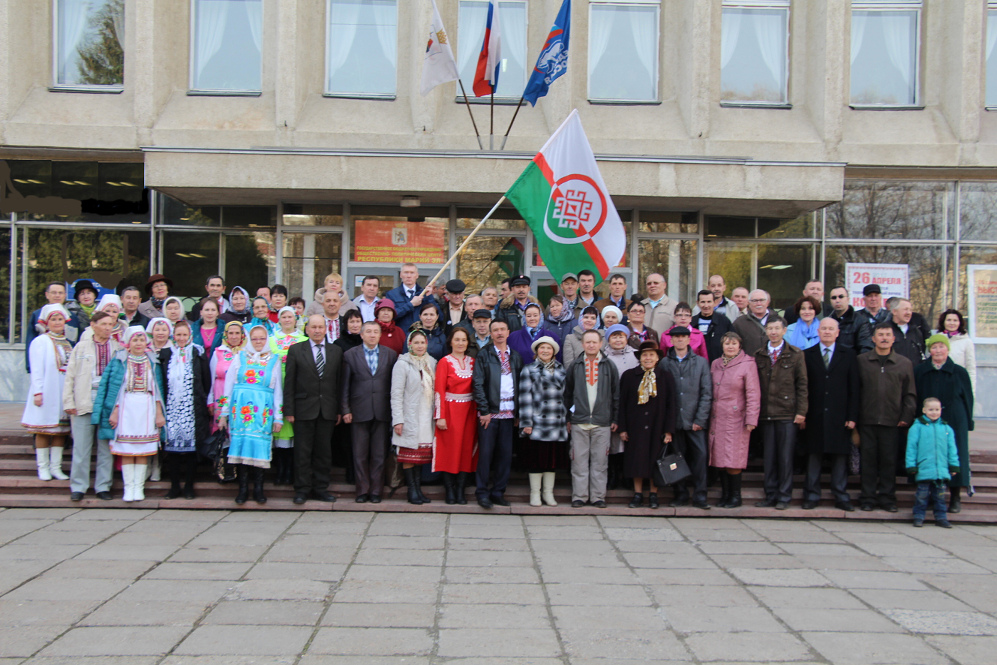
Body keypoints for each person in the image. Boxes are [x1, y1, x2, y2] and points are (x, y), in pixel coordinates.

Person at [93, 325, 166, 502]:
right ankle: (128, 488)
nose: (139, 343)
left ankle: (138, 487)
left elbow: (157, 390)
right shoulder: (119, 361)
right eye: (135, 340)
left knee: (142, 449)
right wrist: (114, 411)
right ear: (128, 342)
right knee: (127, 450)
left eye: (142, 340)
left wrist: (159, 414)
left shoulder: (153, 362)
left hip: (146, 408)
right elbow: (114, 388)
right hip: (126, 407)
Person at [218, 325, 284, 506]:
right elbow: (228, 386)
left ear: (267, 340)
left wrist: (278, 417)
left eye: (262, 338)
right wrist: (223, 413)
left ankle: (259, 489)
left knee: (259, 448)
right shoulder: (239, 357)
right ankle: (243, 489)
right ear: (249, 339)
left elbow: (278, 390)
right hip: (240, 411)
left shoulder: (274, 360)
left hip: (262, 412)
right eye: (255, 339)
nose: (258, 342)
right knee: (241, 447)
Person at [799, 318, 860, 511]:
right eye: (823, 328)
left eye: (831, 329)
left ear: (837, 332)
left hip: (840, 416)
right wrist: (802, 414)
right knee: (813, 456)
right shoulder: (807, 355)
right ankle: (811, 495)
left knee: (840, 457)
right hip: (814, 415)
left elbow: (854, 388)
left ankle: (841, 495)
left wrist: (852, 416)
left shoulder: (849, 354)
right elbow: (803, 387)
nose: (827, 331)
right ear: (818, 331)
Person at [857, 322, 917, 512]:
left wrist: (906, 416)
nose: (884, 338)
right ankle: (867, 498)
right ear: (873, 339)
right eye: (880, 335)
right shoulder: (861, 361)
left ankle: (887, 498)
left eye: (887, 335)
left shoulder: (904, 363)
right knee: (868, 462)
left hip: (892, 421)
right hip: (867, 420)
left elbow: (910, 393)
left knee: (889, 462)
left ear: (893, 338)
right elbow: (854, 391)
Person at [284, 314, 344, 505]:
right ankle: (302, 489)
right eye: (314, 327)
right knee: (302, 452)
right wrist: (289, 410)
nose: (317, 331)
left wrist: (339, 409)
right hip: (303, 409)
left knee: (323, 452)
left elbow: (339, 383)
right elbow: (289, 382)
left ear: (326, 329)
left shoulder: (336, 351)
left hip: (327, 409)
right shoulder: (296, 350)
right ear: (307, 329)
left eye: (320, 327)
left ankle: (321, 488)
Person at [63, 311, 121, 500]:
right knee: (81, 447)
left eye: (110, 324)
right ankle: (78, 487)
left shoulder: (118, 348)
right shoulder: (81, 347)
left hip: (107, 403)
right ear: (93, 325)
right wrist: (68, 401)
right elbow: (70, 376)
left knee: (105, 447)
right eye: (104, 324)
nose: (107, 328)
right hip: (84, 400)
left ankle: (103, 486)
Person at [914, 333, 974, 514]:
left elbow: (968, 398)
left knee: (955, 455)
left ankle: (955, 497)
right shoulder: (920, 371)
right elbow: (916, 396)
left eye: (941, 346)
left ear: (948, 349)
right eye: (934, 347)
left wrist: (968, 421)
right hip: (927, 420)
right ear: (929, 350)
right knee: (929, 454)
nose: (938, 350)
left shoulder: (959, 372)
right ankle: (931, 495)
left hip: (955, 419)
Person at [753, 317, 807, 510]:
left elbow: (802, 384)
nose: (773, 332)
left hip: (787, 413)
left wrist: (801, 411)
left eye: (777, 328)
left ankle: (784, 496)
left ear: (784, 331)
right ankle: (770, 495)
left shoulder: (795, 354)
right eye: (770, 328)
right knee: (769, 458)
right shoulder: (758, 354)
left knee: (785, 458)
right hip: (766, 413)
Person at [342, 321, 398, 503]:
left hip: (382, 410)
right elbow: (345, 385)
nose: (372, 335)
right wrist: (345, 409)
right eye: (369, 332)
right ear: (362, 334)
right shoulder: (350, 355)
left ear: (380, 335)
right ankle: (362, 490)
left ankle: (375, 491)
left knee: (379, 454)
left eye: (375, 332)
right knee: (359, 454)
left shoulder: (390, 355)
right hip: (358, 410)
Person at [563, 329, 620, 508]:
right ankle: (579, 496)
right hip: (579, 422)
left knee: (600, 463)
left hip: (602, 422)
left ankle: (598, 497)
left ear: (601, 344)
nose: (591, 345)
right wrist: (570, 416)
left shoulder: (609, 366)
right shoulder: (575, 365)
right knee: (578, 461)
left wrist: (614, 418)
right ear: (582, 344)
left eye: (594, 342)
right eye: (588, 342)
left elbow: (615, 395)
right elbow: (568, 394)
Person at [659, 327, 713, 510]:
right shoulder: (664, 363)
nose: (680, 340)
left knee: (700, 458)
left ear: (689, 340)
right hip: (674, 421)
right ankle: (680, 494)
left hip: (695, 420)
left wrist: (700, 419)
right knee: (676, 459)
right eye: (676, 337)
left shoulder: (701, 363)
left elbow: (706, 392)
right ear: (671, 341)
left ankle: (700, 496)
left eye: (683, 337)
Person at [618, 340, 676, 509]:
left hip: (657, 425)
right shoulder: (629, 376)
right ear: (640, 358)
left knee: (655, 459)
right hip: (635, 425)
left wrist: (669, 430)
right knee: (636, 460)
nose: (648, 358)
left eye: (651, 355)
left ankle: (653, 494)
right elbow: (622, 403)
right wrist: (623, 428)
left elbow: (671, 405)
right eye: (645, 355)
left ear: (657, 358)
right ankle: (637, 494)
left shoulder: (665, 376)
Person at [472, 318, 523, 508]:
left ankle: (498, 492)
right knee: (486, 455)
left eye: (502, 329)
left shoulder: (515, 356)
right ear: (491, 333)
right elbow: (478, 384)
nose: (499, 333)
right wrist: (484, 410)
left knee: (505, 455)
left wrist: (518, 413)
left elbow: (520, 385)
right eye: (495, 330)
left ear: (508, 332)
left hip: (509, 414)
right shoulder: (484, 355)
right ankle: (482, 493)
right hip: (490, 413)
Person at [159, 320, 211, 500]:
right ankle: (174, 487)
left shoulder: (197, 352)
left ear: (190, 336)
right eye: (178, 335)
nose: (181, 338)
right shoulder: (167, 354)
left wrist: (203, 402)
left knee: (191, 450)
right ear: (173, 336)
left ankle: (189, 487)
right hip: (172, 408)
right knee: (172, 450)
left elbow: (205, 380)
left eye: (184, 335)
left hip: (191, 407)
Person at [21, 303, 74, 481]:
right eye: (54, 319)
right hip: (47, 390)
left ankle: (56, 467)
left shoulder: (66, 342)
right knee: (44, 430)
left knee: (60, 431)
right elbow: (36, 369)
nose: (57, 322)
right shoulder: (40, 341)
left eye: (60, 319)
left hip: (62, 391)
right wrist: (38, 392)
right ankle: (42, 467)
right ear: (46, 322)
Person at [709, 332, 760, 508]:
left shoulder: (748, 364)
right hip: (717, 417)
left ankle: (735, 496)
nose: (730, 347)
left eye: (733, 343)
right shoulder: (715, 364)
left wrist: (751, 418)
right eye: (727, 343)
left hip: (736, 419)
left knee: (733, 458)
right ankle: (725, 495)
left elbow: (753, 393)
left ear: (739, 346)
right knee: (719, 458)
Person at [518, 336, 568, 507]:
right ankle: (535, 493)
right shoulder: (529, 369)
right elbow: (524, 398)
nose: (545, 351)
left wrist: (566, 419)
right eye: (542, 348)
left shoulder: (561, 369)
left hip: (557, 421)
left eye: (548, 348)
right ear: (537, 351)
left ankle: (548, 493)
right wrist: (526, 422)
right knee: (536, 459)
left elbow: (566, 396)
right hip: (538, 421)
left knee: (551, 461)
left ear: (554, 352)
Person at [391, 329, 438, 505]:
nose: (419, 346)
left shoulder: (431, 362)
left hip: (426, 416)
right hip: (409, 416)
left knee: (420, 456)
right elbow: (396, 394)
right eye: (416, 343)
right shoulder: (402, 364)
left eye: (422, 342)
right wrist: (398, 419)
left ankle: (418, 490)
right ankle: (412, 490)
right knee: (408, 454)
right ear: (409, 344)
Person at [434, 327, 478, 505]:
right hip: (450, 411)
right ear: (451, 341)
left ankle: (461, 490)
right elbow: (439, 390)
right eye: (457, 339)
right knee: (450, 450)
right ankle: (449, 490)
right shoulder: (444, 362)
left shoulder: (473, 362)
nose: (460, 343)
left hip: (469, 412)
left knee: (466, 449)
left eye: (464, 340)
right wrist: (440, 416)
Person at [905, 397, 959, 528]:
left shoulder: (946, 428)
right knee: (921, 496)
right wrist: (911, 465)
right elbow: (911, 448)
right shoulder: (917, 428)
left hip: (941, 470)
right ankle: (918, 516)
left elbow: (952, 449)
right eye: (931, 410)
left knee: (940, 497)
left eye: (937, 409)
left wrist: (954, 465)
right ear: (924, 410)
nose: (934, 412)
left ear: (941, 410)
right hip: (924, 468)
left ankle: (941, 518)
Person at [270, 306, 307, 486]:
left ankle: (291, 471)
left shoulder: (303, 339)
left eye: (290, 317)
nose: (287, 320)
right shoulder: (271, 340)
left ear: (295, 319)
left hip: (297, 388)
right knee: (279, 429)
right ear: (279, 319)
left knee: (294, 431)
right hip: (276, 387)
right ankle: (280, 470)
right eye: (283, 317)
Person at [333, 310, 364, 483]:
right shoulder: (339, 344)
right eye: (351, 322)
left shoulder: (366, 342)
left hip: (362, 396)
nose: (355, 325)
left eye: (358, 321)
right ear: (345, 324)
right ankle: (349, 471)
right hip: (346, 394)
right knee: (347, 438)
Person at [25, 282, 79, 372]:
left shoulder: (72, 317)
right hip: (43, 363)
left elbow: (76, 341)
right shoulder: (37, 315)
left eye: (60, 293)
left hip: (67, 365)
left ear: (65, 295)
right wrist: (30, 366)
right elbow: (30, 340)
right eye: (54, 293)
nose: (57, 295)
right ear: (47, 295)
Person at [209, 321, 246, 433]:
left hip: (240, 394)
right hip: (220, 392)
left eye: (237, 333)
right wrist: (210, 400)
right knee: (222, 426)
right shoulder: (218, 352)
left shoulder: (247, 353)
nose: (234, 337)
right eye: (231, 333)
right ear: (226, 335)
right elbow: (211, 378)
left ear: (242, 335)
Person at [385, 263, 437, 332]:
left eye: (412, 273)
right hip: (401, 335)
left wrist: (429, 297)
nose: (409, 276)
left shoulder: (424, 293)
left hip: (421, 335)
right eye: (406, 273)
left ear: (417, 275)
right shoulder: (392, 294)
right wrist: (411, 304)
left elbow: (438, 316)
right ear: (401, 275)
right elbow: (390, 316)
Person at [939, 309, 976, 397]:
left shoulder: (966, 342)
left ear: (960, 323)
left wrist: (971, 391)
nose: (952, 323)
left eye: (955, 320)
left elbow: (971, 368)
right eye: (949, 320)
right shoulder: (937, 339)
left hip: (958, 385)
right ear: (943, 322)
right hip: (940, 383)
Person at [692, 290, 733, 363]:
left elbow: (732, 341)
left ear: (714, 302)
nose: (706, 305)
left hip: (719, 364)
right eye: (703, 302)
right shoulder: (692, 322)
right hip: (696, 364)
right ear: (697, 303)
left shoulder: (724, 321)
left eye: (709, 302)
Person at [733, 289, 776, 355]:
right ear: (749, 303)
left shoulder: (778, 320)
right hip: (749, 360)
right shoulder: (739, 323)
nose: (758, 303)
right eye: (755, 301)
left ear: (767, 302)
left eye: (762, 300)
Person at [854, 283, 890, 353]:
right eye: (870, 296)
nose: (873, 299)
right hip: (862, 354)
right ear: (864, 299)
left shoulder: (889, 316)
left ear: (880, 297)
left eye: (876, 295)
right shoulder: (856, 316)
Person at [890, 298, 926, 366]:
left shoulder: (915, 331)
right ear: (894, 311)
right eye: (905, 309)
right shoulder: (886, 330)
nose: (909, 313)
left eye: (910, 310)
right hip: (893, 371)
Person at [828, 285, 864, 350]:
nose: (837, 300)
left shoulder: (860, 321)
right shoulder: (827, 321)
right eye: (834, 298)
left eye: (841, 297)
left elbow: (865, 348)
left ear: (848, 299)